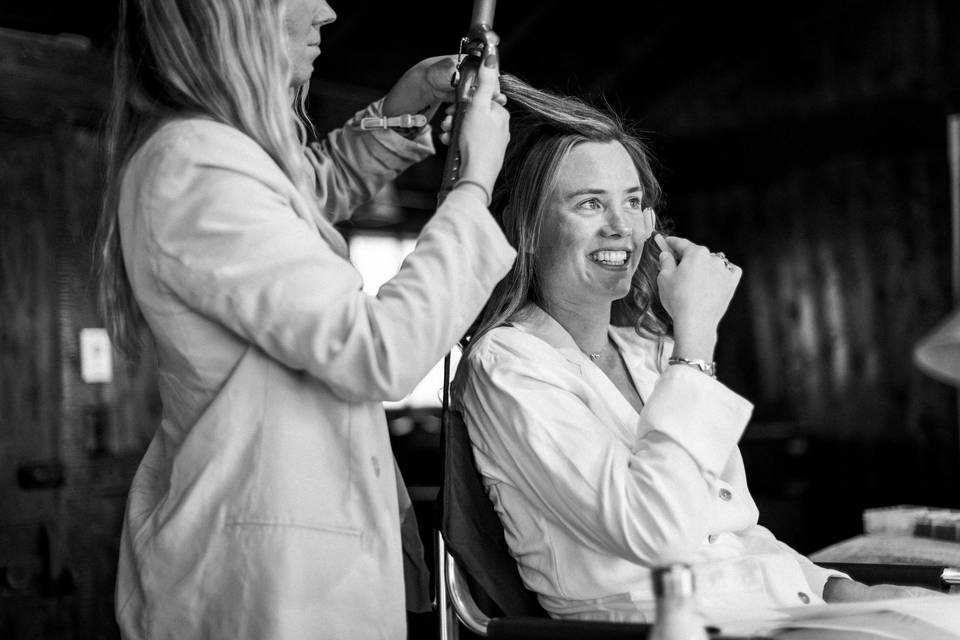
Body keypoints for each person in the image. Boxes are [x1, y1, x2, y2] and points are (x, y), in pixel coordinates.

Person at [95, 0, 513, 638]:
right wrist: (473, 187)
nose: (327, 11)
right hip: (262, 588)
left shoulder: (218, 158)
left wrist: (407, 107)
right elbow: (378, 351)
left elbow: (309, 192)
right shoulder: (195, 164)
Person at [452, 75, 933, 628]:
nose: (622, 227)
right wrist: (697, 336)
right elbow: (656, 531)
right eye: (589, 203)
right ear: (530, 231)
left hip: (778, 609)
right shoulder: (508, 363)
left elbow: (732, 531)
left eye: (633, 202)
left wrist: (841, 589)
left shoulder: (648, 353)